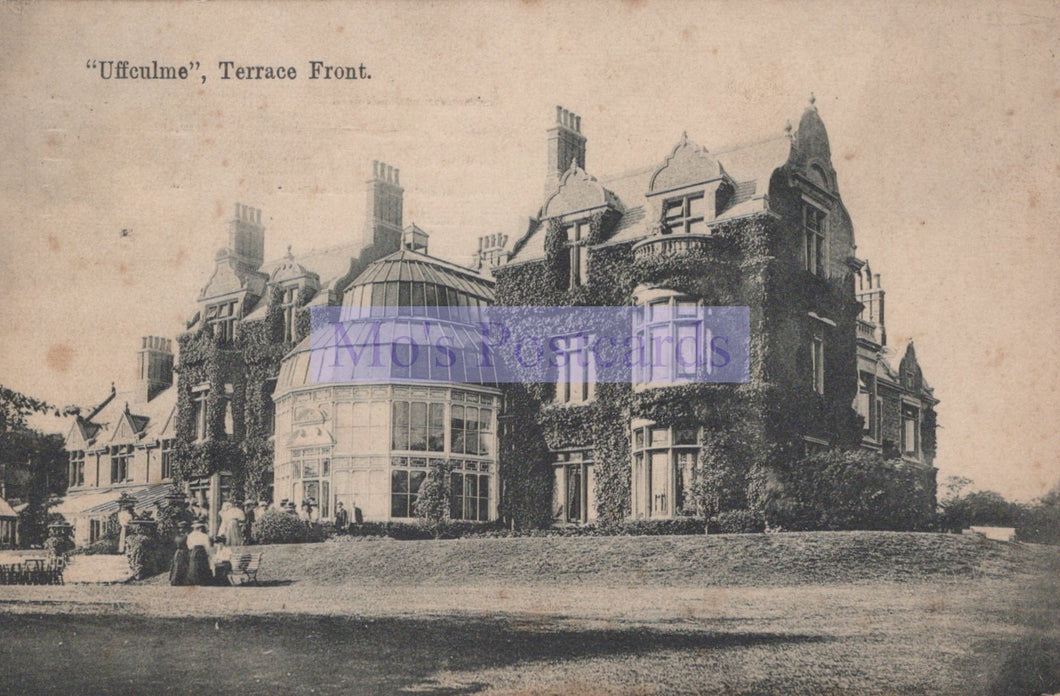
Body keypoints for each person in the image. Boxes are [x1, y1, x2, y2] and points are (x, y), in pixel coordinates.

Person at [168, 521, 191, 586]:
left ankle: (179, 580)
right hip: (182, 552)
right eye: (180, 528)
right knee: (179, 566)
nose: (181, 529)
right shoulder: (183, 536)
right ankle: (177, 580)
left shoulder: (179, 536)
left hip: (180, 552)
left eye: (182, 528)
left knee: (180, 566)